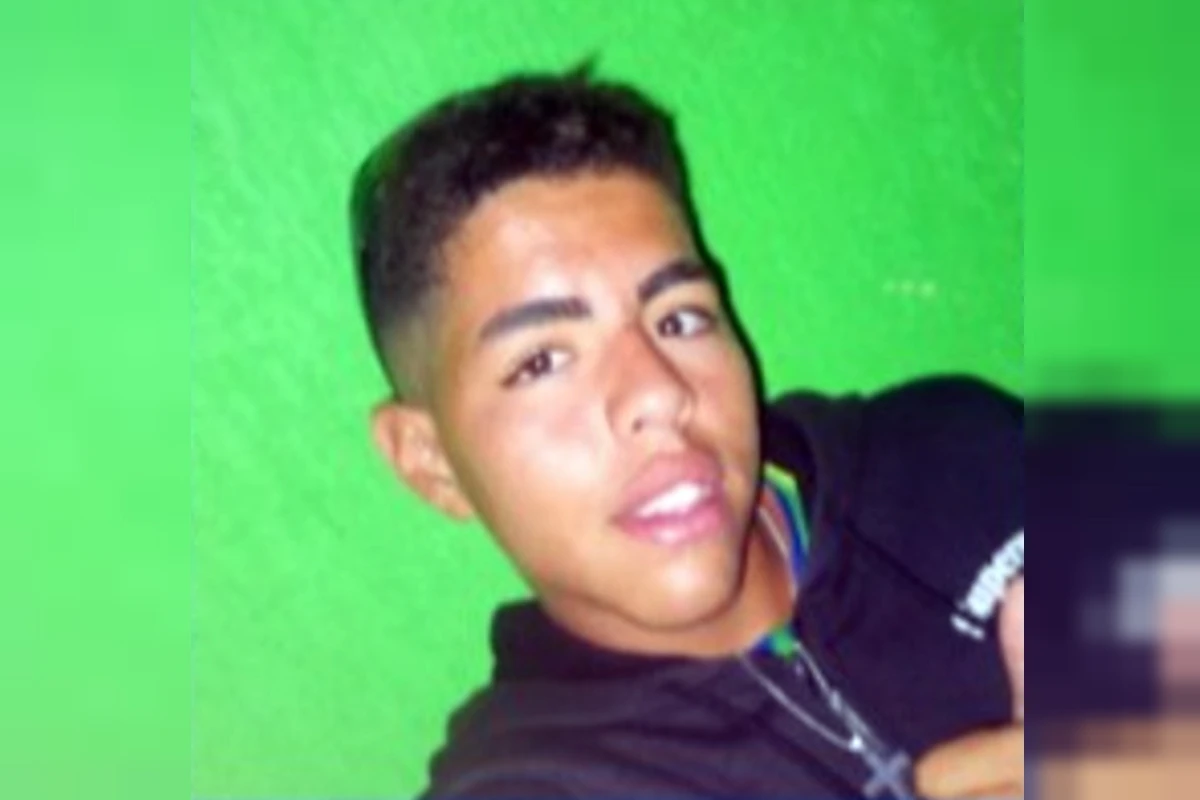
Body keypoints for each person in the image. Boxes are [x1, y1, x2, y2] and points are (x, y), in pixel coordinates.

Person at [349, 68, 1024, 798]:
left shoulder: (959, 451)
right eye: (541, 361)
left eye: (679, 318)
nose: (659, 393)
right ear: (431, 462)